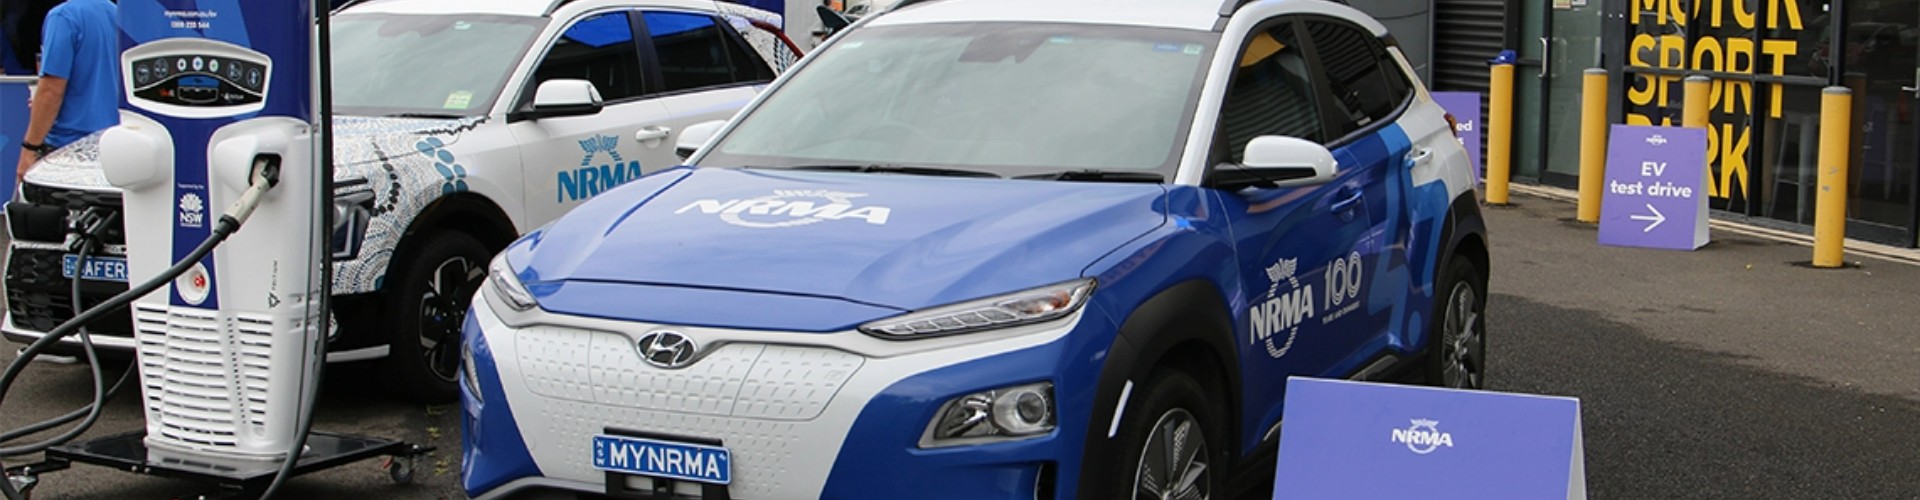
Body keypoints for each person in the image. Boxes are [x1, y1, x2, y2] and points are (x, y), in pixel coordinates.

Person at [16, 0, 117, 181]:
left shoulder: (63, 17)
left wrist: (29, 149)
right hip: (113, 144)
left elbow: (51, 91)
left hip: (69, 151)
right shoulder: (117, 14)